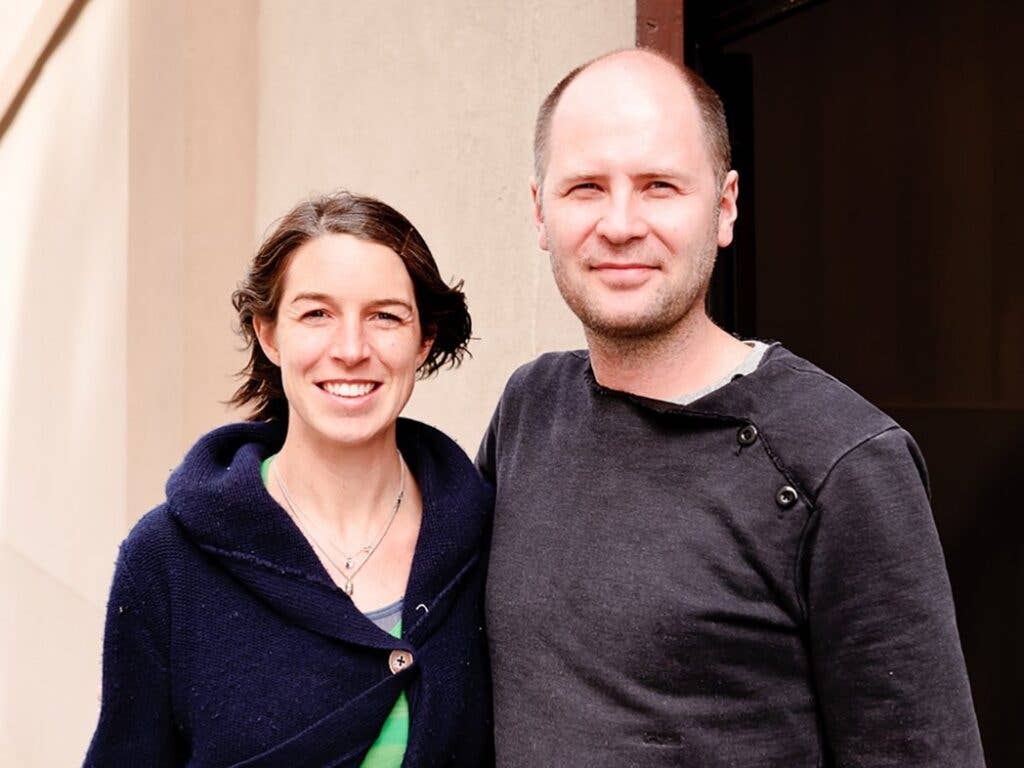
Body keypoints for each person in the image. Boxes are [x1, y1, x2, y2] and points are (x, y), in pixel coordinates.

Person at [478, 48, 984, 767]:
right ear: (539, 212)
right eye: (586, 187)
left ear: (725, 207)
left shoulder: (843, 461)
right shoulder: (531, 410)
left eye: (659, 186)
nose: (620, 224)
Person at [85, 191, 493, 767]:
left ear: (423, 338)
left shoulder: (485, 543)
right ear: (269, 334)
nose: (351, 349)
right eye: (316, 314)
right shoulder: (165, 561)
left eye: (384, 316)